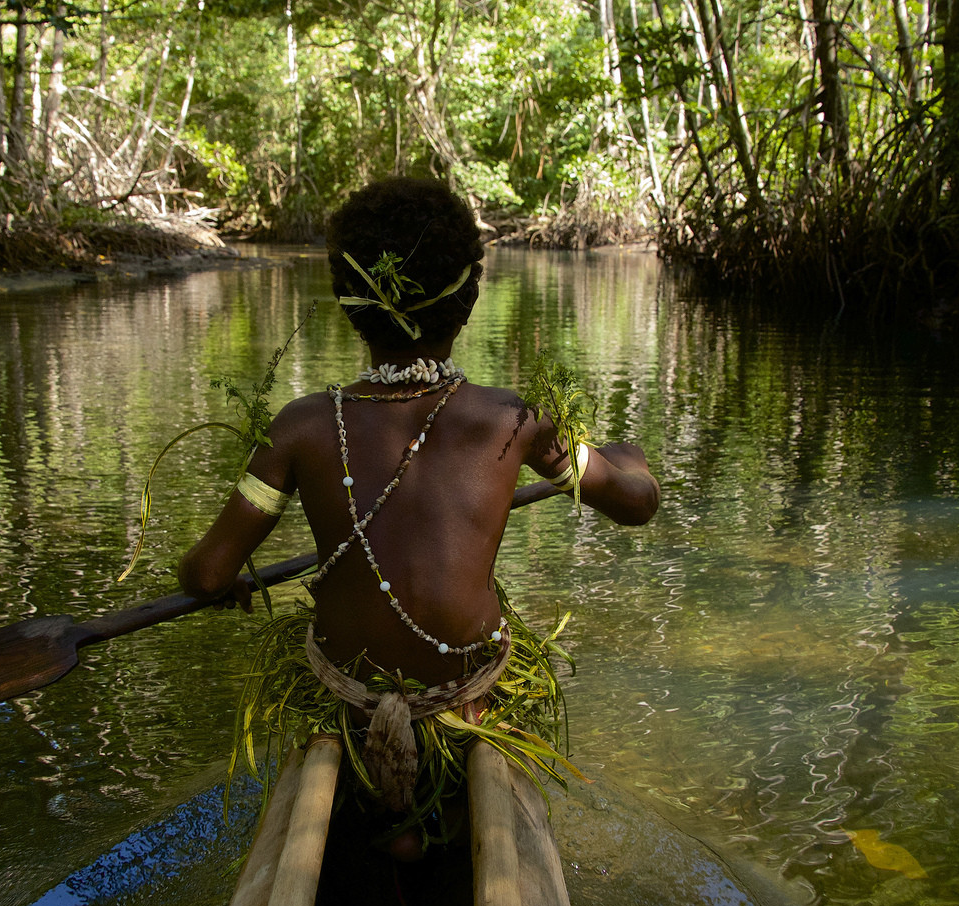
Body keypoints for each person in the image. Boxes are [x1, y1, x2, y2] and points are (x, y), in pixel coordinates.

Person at [178, 175, 658, 837]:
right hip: (468, 698)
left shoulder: (300, 427)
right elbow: (636, 503)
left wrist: (230, 579)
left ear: (349, 306)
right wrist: (626, 457)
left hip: (347, 701)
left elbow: (205, 574)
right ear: (468, 301)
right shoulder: (513, 420)